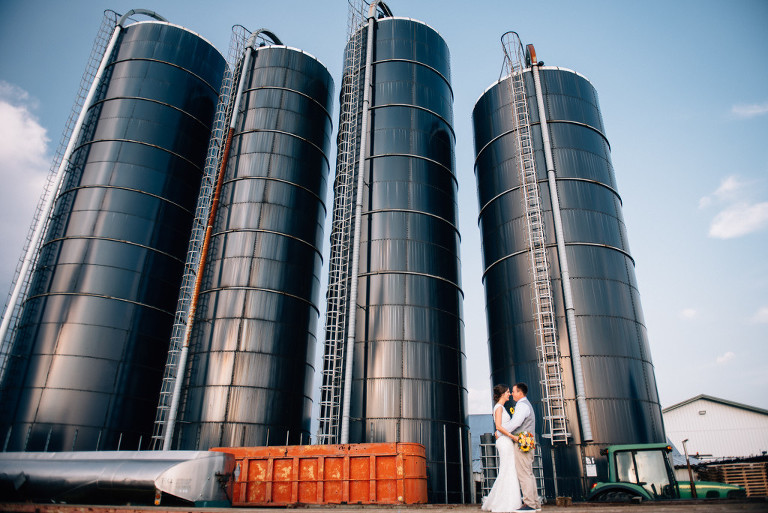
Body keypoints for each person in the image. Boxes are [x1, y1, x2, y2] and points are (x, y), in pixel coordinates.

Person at [481, 384, 522, 512]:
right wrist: (512, 436)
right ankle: (506, 502)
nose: (510, 394)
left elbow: (500, 427)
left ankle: (505, 500)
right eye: (508, 392)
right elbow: (498, 426)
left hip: (505, 440)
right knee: (507, 469)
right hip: (505, 441)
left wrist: (503, 434)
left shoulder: (501, 407)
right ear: (503, 394)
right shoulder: (499, 408)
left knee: (508, 470)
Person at [508, 382, 540, 511]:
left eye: (513, 391)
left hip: (522, 441)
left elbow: (515, 423)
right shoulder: (527, 405)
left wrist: (502, 431)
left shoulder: (521, 405)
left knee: (523, 474)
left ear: (520, 393)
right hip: (529, 440)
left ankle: (529, 504)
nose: (512, 394)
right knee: (529, 473)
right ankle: (535, 503)